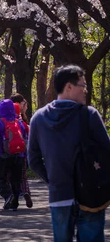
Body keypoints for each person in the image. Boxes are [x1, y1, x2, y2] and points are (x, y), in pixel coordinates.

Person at [29, 65, 110, 241]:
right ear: (69, 87)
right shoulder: (89, 115)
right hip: (91, 194)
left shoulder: (39, 118)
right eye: (83, 85)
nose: (86, 91)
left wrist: (53, 180)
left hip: (59, 196)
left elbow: (33, 160)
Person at [0, 99, 28, 211]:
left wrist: (0, 151)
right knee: (16, 179)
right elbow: (25, 138)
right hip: (18, 155)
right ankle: (15, 202)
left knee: (1, 178)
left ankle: (8, 195)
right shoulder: (19, 122)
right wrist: (24, 153)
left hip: (3, 156)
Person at [10, 94, 33, 208]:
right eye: (24, 104)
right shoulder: (22, 119)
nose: (26, 106)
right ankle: (26, 192)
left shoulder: (6, 118)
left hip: (8, 153)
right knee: (23, 176)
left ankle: (13, 197)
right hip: (22, 152)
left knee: (10, 176)